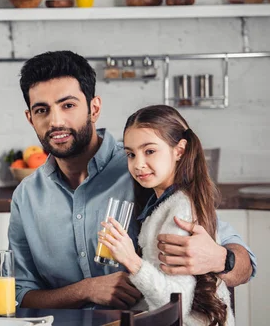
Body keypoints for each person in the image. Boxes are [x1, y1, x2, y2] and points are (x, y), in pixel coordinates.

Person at [9, 50, 256, 310]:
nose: (55, 121)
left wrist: (219, 259)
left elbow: (244, 264)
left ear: (94, 108)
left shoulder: (144, 172)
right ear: (30, 118)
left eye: (68, 105)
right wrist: (86, 290)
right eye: (41, 110)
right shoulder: (26, 197)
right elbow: (19, 294)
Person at [100, 105, 234, 325]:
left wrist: (131, 260)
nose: (138, 164)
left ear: (179, 150)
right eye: (131, 154)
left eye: (149, 151)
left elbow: (175, 303)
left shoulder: (179, 211)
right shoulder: (166, 201)